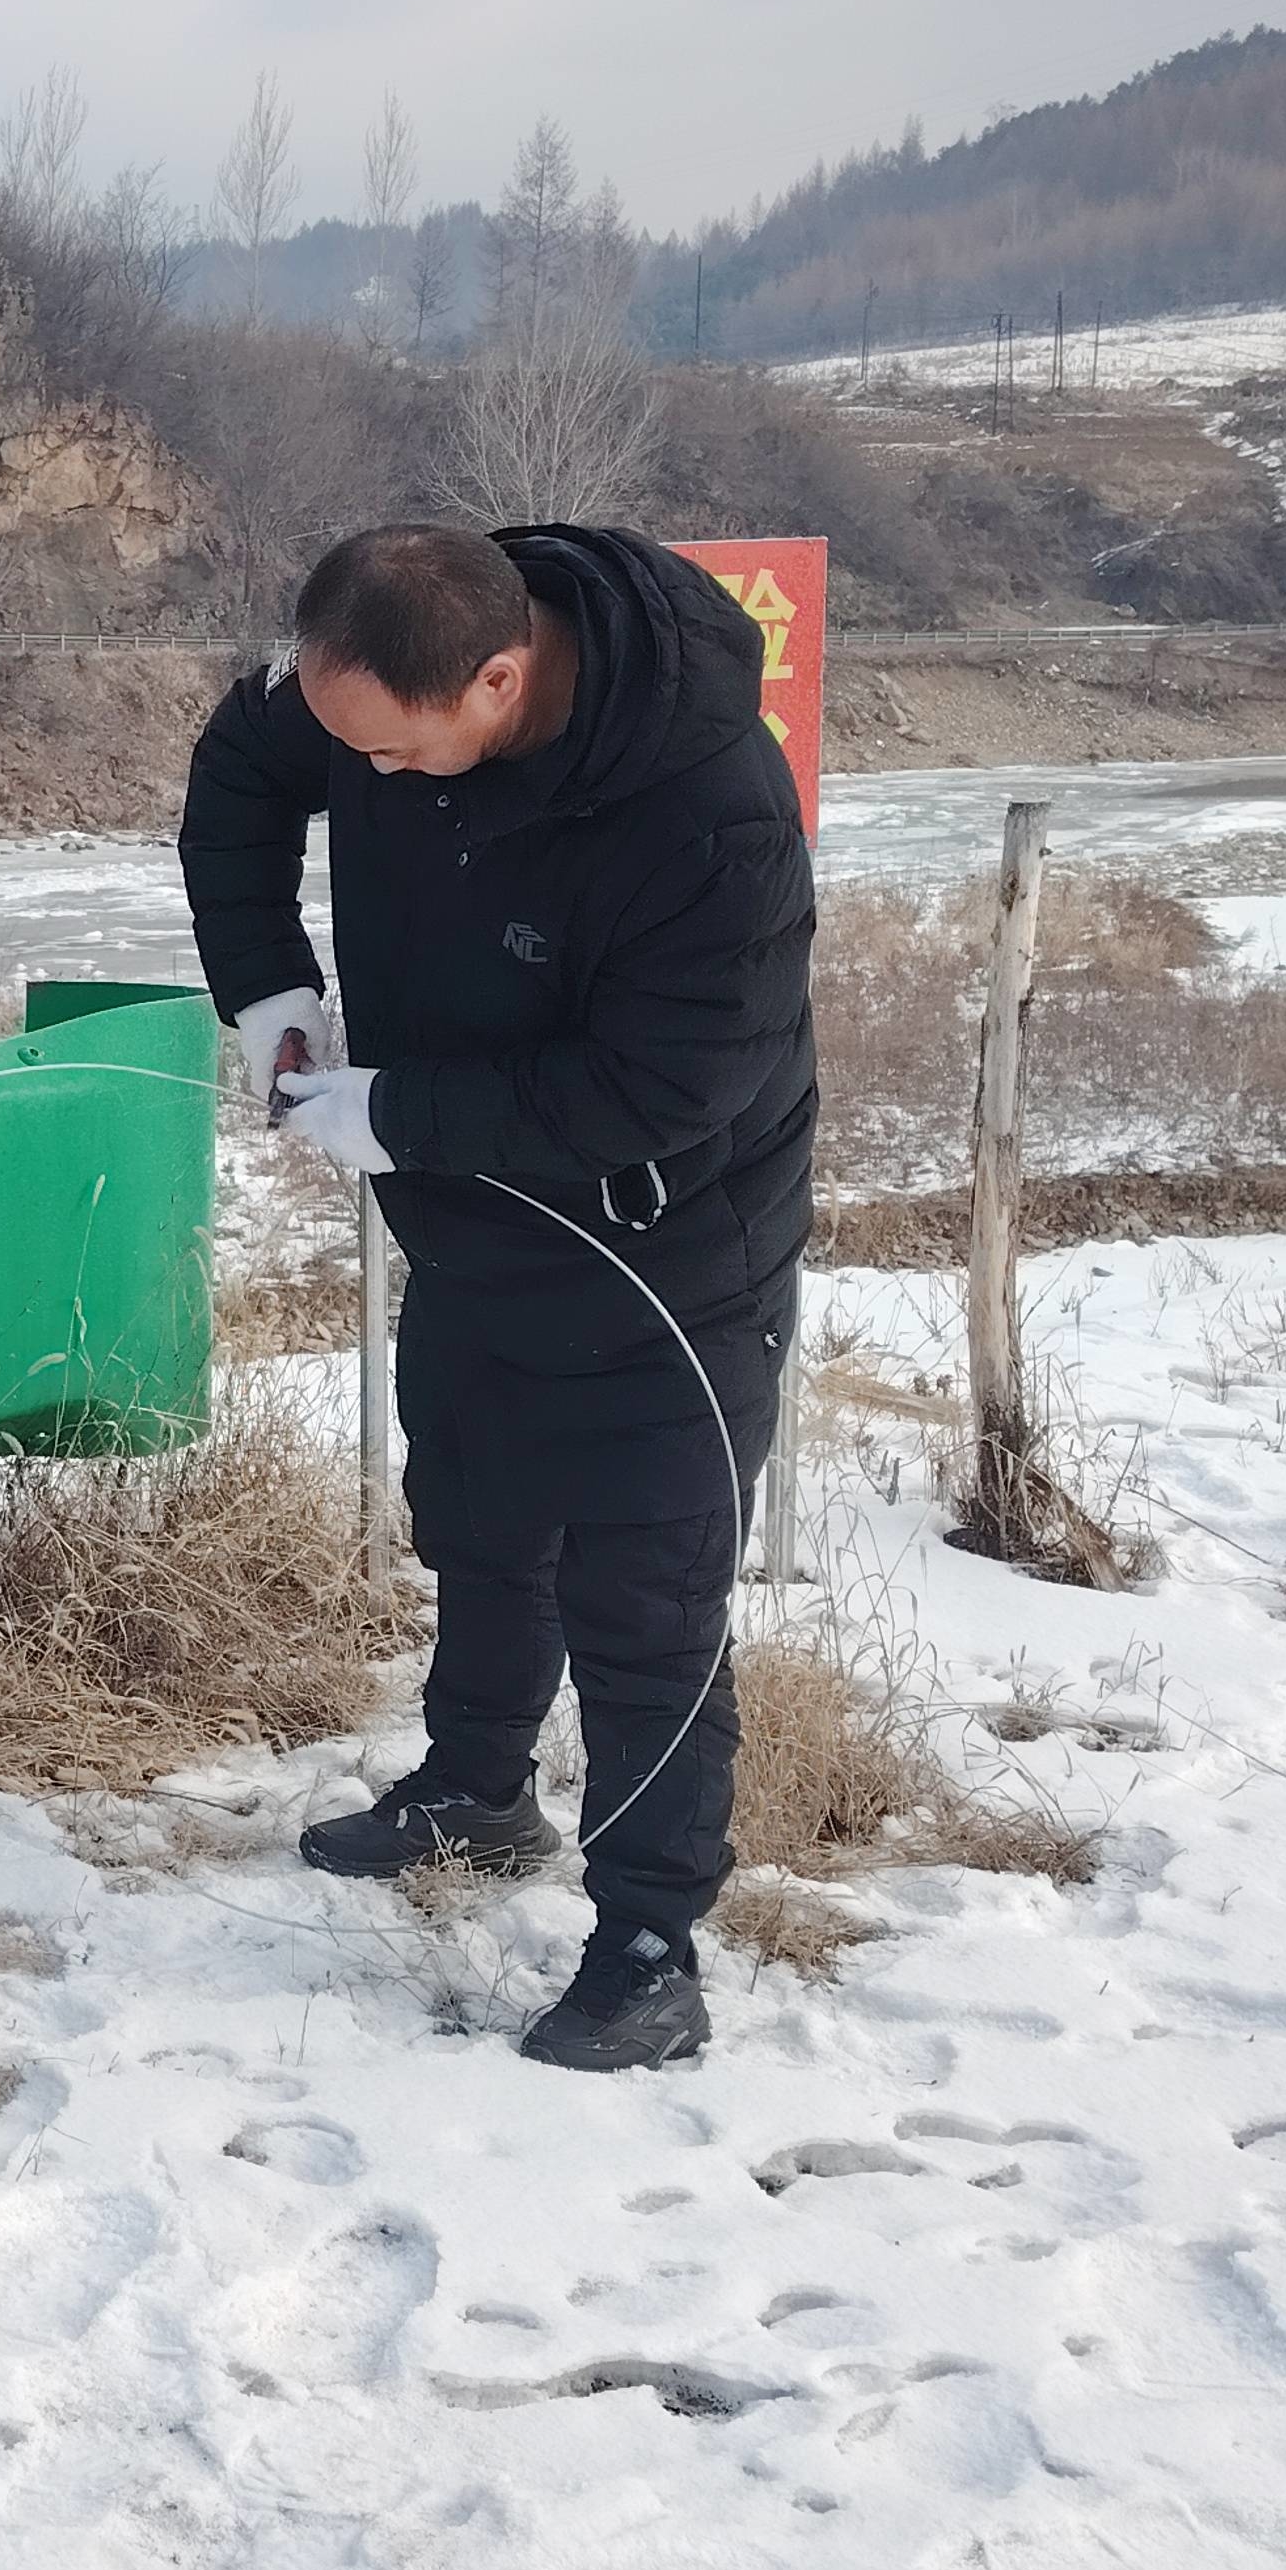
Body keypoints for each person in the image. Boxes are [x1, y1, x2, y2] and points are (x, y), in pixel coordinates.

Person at [179, 520, 813, 2072]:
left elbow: (661, 1085)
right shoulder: (374, 684)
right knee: (475, 1497)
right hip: (469, 1216)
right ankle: (477, 1786)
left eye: (397, 760)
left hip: (667, 1241)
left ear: (501, 679)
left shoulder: (708, 815)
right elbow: (245, 776)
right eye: (353, 753)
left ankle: (652, 1943)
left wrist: (399, 1115)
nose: (371, 784)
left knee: (644, 1591)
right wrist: (271, 990)